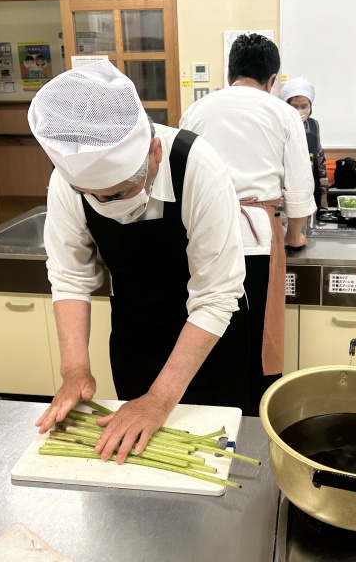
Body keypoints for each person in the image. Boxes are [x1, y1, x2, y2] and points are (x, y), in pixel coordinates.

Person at [28, 60, 250, 463]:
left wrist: (160, 400)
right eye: (94, 196)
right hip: (135, 333)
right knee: (135, 458)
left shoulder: (197, 167)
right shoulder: (67, 182)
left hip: (210, 340)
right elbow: (70, 277)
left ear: (154, 151)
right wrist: (74, 369)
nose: (107, 205)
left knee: (210, 454)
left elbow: (217, 295)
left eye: (120, 192)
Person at [180, 34, 316, 413]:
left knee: (211, 328)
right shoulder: (283, 114)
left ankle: (214, 417)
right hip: (257, 242)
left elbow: (183, 175)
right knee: (258, 340)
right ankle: (254, 422)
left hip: (205, 238)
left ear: (229, 74)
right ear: (272, 79)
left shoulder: (197, 110)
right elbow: (299, 188)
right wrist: (294, 235)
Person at [279, 77, 328, 208]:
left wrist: (324, 194)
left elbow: (320, 160)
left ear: (310, 106)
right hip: (287, 191)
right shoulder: (279, 126)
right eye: (294, 106)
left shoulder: (314, 125)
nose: (299, 110)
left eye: (304, 106)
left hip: (311, 188)